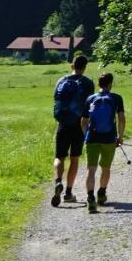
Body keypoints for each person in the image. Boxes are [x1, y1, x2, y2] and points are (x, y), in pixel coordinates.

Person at [50, 54, 94, 207]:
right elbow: (90, 105)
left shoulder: (61, 81)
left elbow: (56, 99)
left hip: (62, 124)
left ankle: (57, 181)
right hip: (79, 125)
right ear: (85, 67)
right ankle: (68, 192)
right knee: (74, 158)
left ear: (72, 66)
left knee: (59, 157)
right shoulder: (88, 83)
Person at [80, 71, 126, 213]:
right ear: (110, 83)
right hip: (109, 138)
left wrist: (86, 135)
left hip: (92, 138)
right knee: (105, 168)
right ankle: (101, 193)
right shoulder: (116, 98)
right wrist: (120, 136)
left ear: (98, 84)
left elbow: (83, 121)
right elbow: (121, 119)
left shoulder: (90, 98)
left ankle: (90, 198)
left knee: (91, 169)